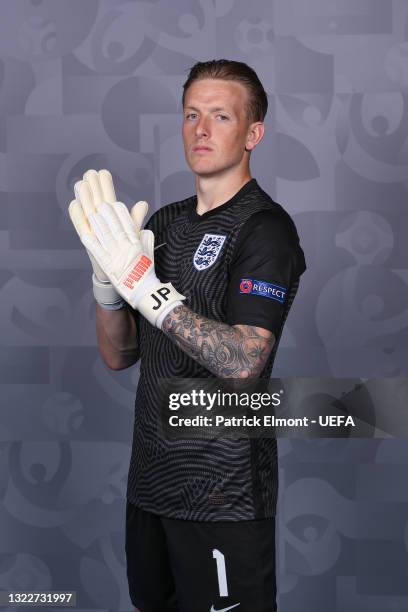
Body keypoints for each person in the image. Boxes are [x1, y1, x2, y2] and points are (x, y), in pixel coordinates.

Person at [69, 59, 306, 612]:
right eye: (191, 115)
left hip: (223, 496)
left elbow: (244, 359)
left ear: (252, 134)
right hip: (150, 487)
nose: (201, 129)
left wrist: (145, 288)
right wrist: (108, 288)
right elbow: (119, 355)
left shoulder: (266, 228)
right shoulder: (160, 225)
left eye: (221, 116)